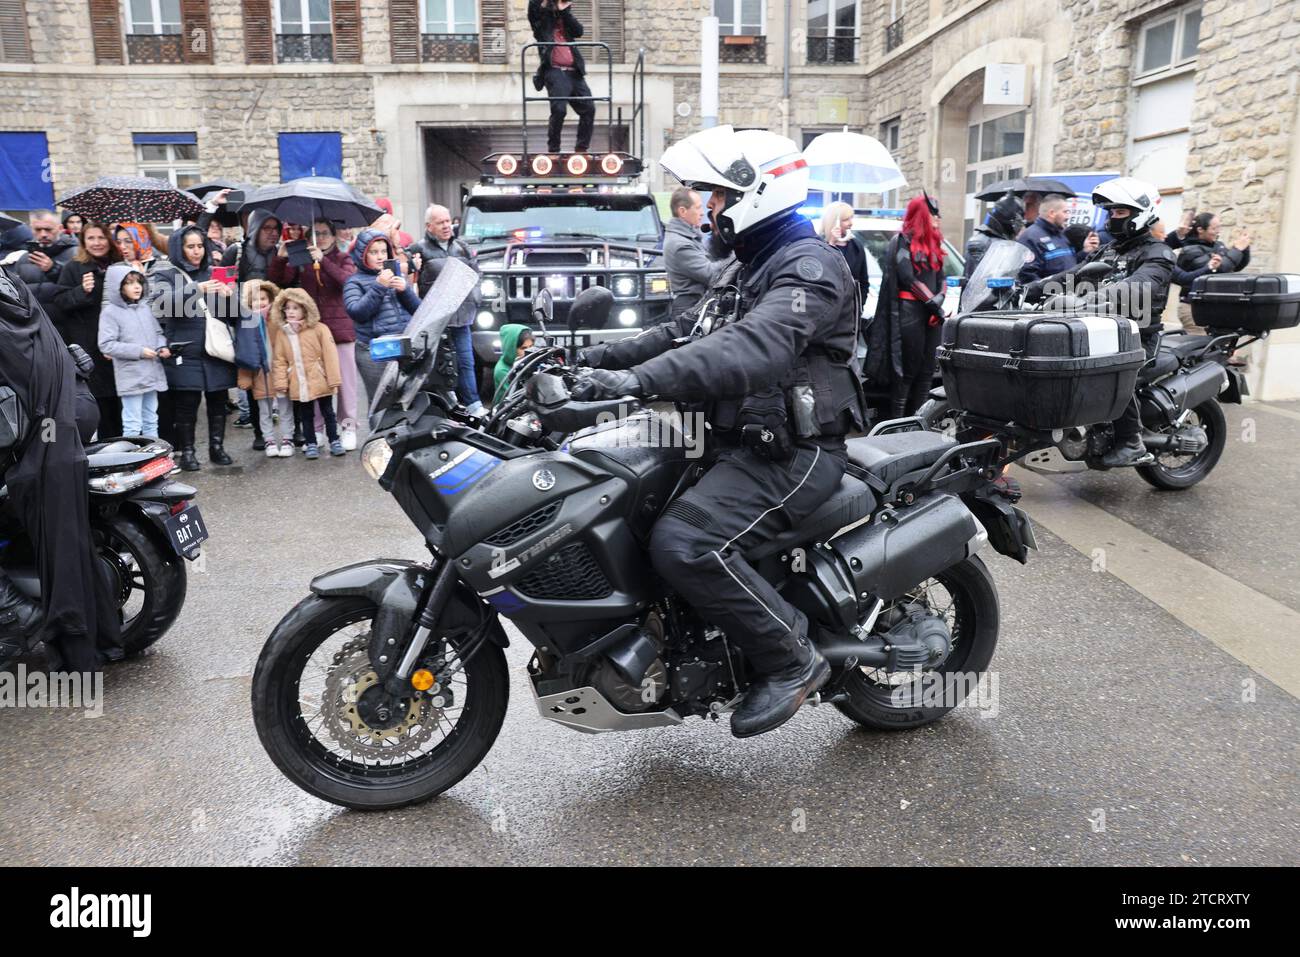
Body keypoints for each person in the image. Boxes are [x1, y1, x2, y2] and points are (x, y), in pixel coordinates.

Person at [574, 126, 866, 738]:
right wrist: (596, 363)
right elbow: (685, 329)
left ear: (754, 192)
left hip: (796, 452)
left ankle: (792, 659)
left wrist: (637, 384)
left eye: (714, 195)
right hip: (734, 440)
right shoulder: (746, 263)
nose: (708, 208)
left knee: (684, 543)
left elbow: (755, 347)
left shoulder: (810, 266)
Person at [0, 265, 122, 670]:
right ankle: (102, 641)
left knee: (60, 546)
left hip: (39, 437)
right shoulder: (14, 288)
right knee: (70, 540)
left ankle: (48, 631)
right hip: (70, 413)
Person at [1030, 177, 1175, 468]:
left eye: (1120, 212)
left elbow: (1141, 284)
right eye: (1110, 213)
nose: (1113, 218)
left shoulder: (1158, 253)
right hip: (1101, 329)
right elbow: (1075, 274)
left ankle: (1131, 442)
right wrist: (1033, 287)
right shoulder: (1110, 250)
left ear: (1141, 214)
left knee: (1113, 375)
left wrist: (1098, 297)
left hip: (1137, 336)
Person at [154, 224, 241, 470]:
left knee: (218, 402)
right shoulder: (166, 273)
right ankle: (188, 452)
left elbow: (233, 316)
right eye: (190, 246)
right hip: (185, 350)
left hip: (215, 350)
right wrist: (197, 289)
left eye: (200, 246)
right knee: (186, 405)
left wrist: (229, 297)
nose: (196, 251)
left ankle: (217, 448)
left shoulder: (215, 272)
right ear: (179, 249)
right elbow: (161, 306)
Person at [270, 218, 361, 448]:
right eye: (316, 234)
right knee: (314, 380)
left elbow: (348, 282)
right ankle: (318, 429)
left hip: (340, 330)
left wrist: (325, 262)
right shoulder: (303, 260)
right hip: (311, 331)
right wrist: (282, 258)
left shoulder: (343, 258)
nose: (320, 238)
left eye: (325, 233)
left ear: (333, 236)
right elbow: (279, 281)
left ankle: (348, 425)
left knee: (345, 381)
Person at [868, 193, 948, 418]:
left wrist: (938, 302)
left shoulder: (935, 242)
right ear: (922, 214)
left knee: (926, 373)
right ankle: (897, 424)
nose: (937, 218)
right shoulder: (902, 241)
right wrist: (934, 304)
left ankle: (919, 422)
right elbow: (907, 277)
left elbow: (942, 277)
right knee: (906, 373)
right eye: (933, 213)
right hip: (910, 313)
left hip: (930, 314)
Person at [412, 204, 486, 415]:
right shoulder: (418, 250)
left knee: (465, 361)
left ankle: (474, 405)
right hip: (436, 320)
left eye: (447, 221)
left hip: (462, 316)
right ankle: (449, 404)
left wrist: (475, 297)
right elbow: (410, 280)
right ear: (429, 226)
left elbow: (477, 275)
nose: (446, 226)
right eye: (440, 222)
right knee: (440, 364)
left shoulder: (462, 247)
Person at [53, 222, 123, 438]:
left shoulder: (120, 264)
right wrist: (81, 291)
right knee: (100, 402)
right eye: (91, 238)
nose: (97, 243)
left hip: (119, 341)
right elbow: (60, 302)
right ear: (83, 242)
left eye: (101, 238)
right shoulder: (73, 267)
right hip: (90, 343)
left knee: (123, 400)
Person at [345, 229, 422, 406]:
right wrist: (379, 287)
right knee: (381, 403)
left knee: (409, 399)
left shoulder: (397, 274)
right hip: (376, 350)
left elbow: (418, 310)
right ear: (362, 255)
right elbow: (357, 312)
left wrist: (405, 291)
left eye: (383, 251)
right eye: (373, 252)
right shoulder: (354, 281)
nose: (380, 257)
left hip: (403, 345)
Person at [95, 263, 170, 437]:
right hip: (131, 376)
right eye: (129, 283)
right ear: (118, 287)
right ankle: (134, 459)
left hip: (151, 372)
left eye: (138, 282)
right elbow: (106, 344)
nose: (136, 287)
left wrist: (162, 346)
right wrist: (139, 351)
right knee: (133, 423)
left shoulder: (144, 308)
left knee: (151, 418)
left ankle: (154, 457)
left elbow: (157, 332)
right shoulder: (110, 312)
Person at [271, 288, 343, 459]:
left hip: (320, 378)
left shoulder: (320, 329)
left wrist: (333, 379)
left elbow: (330, 354)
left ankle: (334, 439)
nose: (290, 312)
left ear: (305, 309)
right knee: (306, 414)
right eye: (287, 308)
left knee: (327, 411)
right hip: (298, 379)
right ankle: (310, 442)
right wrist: (281, 382)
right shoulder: (283, 332)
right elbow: (279, 359)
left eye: (295, 308)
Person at [528, 0, 596, 154]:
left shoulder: (565, 18)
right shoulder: (543, 22)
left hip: (574, 72)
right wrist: (548, 7)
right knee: (559, 110)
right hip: (555, 71)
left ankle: (581, 149)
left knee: (589, 108)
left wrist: (564, 12)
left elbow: (579, 31)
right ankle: (554, 149)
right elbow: (535, 18)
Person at [237, 279, 294, 458]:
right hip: (259, 373)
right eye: (254, 300)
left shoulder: (278, 321)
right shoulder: (246, 322)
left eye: (263, 298)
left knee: (285, 408)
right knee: (264, 409)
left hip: (279, 370)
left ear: (271, 299)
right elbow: (243, 350)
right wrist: (244, 377)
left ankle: (287, 438)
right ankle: (268, 439)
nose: (259, 303)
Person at [1175, 212, 1251, 333]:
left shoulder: (1218, 246)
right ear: (1200, 229)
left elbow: (1236, 266)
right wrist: (1237, 249)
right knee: (1198, 348)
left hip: (1217, 307)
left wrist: (1245, 248)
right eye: (1214, 228)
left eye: (1219, 228)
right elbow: (1219, 270)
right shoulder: (1190, 250)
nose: (1218, 231)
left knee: (1221, 349)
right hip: (1193, 309)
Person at [664, 186, 733, 320]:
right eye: (698, 208)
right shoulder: (680, 245)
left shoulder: (687, 238)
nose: (702, 213)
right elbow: (711, 274)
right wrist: (735, 257)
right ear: (683, 211)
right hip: (689, 307)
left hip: (693, 303)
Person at [10, 210, 77, 323]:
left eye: (48, 229)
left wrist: (53, 269)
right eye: (38, 230)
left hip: (68, 323)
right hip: (36, 323)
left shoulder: (74, 253)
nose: (43, 234)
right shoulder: (24, 258)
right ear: (31, 229)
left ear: (60, 228)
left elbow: (79, 288)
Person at [1017, 194, 1077, 282]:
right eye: (1065, 212)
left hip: (1069, 292)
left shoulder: (1060, 234)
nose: (1068, 217)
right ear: (1052, 213)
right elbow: (1028, 276)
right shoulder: (1030, 237)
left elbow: (1068, 264)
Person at [821, 202, 870, 311]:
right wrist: (831, 243)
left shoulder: (856, 246)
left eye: (851, 218)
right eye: (845, 220)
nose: (850, 223)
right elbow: (821, 272)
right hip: (825, 308)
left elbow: (864, 280)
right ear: (834, 222)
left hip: (849, 311)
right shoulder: (818, 244)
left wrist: (859, 305)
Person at [964, 193, 1025, 279]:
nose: (1020, 224)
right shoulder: (980, 242)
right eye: (1018, 219)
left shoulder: (1004, 240)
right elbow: (975, 283)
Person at [492, 324, 534, 404]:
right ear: (511, 348)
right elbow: (513, 401)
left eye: (531, 346)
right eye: (523, 348)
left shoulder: (527, 362)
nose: (529, 351)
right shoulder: (502, 371)